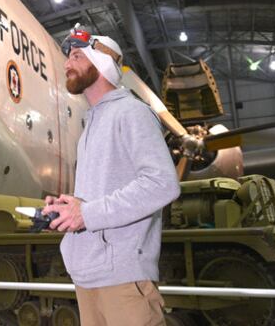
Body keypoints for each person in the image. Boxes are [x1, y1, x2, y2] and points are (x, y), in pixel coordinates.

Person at [43, 26, 180, 326]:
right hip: (87, 277)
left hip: (123, 280)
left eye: (77, 56)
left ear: (101, 63)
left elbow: (162, 184)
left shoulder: (132, 112)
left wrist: (86, 213)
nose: (67, 64)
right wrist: (69, 209)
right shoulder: (90, 125)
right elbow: (96, 200)